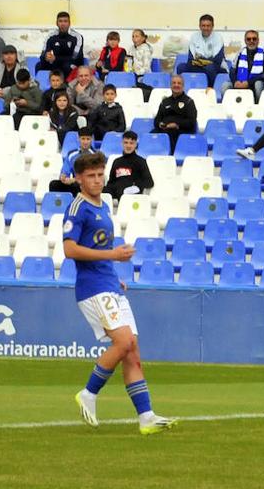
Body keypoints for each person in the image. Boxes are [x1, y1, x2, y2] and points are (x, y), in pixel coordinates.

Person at [67, 152, 175, 436]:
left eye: (100, 174)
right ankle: (89, 393)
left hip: (109, 284)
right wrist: (113, 255)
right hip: (92, 288)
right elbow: (69, 250)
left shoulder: (103, 205)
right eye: (91, 176)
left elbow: (100, 251)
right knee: (124, 341)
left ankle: (146, 416)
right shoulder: (78, 208)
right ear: (79, 179)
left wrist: (115, 275)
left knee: (132, 352)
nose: (97, 180)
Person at [177, 14, 225, 87]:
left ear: (212, 26)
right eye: (203, 25)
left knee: (210, 68)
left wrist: (201, 60)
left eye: (208, 26)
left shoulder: (218, 38)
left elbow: (217, 60)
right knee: (180, 67)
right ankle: (184, 90)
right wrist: (202, 61)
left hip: (215, 68)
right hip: (198, 66)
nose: (205, 28)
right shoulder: (194, 37)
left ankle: (210, 90)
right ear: (200, 26)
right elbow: (191, 58)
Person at [153, 74, 198, 154]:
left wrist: (176, 125)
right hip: (164, 130)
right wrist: (160, 124)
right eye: (174, 83)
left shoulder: (189, 102)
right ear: (170, 85)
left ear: (183, 86)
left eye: (179, 83)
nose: (176, 85)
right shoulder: (165, 102)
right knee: (151, 136)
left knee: (170, 134)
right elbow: (157, 120)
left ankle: (170, 157)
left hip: (181, 132)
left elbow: (191, 122)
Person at [105, 131, 153, 200]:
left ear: (136, 144)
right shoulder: (117, 161)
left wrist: (136, 186)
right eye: (126, 142)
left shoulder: (140, 161)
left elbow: (149, 182)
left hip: (132, 195)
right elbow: (111, 182)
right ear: (122, 143)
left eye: (131, 143)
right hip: (117, 191)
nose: (128, 146)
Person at [36, 11, 84, 79]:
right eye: (60, 21)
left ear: (69, 23)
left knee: (67, 66)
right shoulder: (51, 37)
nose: (63, 24)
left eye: (65, 21)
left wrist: (56, 58)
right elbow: (43, 55)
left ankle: (66, 88)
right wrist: (46, 57)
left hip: (72, 64)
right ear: (57, 23)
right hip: (56, 63)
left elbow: (76, 58)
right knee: (39, 65)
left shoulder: (77, 37)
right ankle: (40, 87)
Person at [49, 129, 97, 195]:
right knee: (54, 184)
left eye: (88, 139)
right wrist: (64, 177)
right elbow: (65, 170)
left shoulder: (96, 156)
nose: (85, 142)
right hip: (74, 183)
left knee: (77, 185)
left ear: (91, 139)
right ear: (78, 139)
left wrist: (74, 180)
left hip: (89, 185)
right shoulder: (72, 154)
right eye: (83, 139)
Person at [231, 30, 264, 97]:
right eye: (248, 39)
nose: (251, 41)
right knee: (225, 85)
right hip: (240, 82)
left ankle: (258, 106)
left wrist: (249, 83)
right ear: (245, 41)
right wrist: (235, 81)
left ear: (258, 40)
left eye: (254, 39)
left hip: (257, 82)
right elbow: (232, 70)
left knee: (258, 84)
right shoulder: (240, 52)